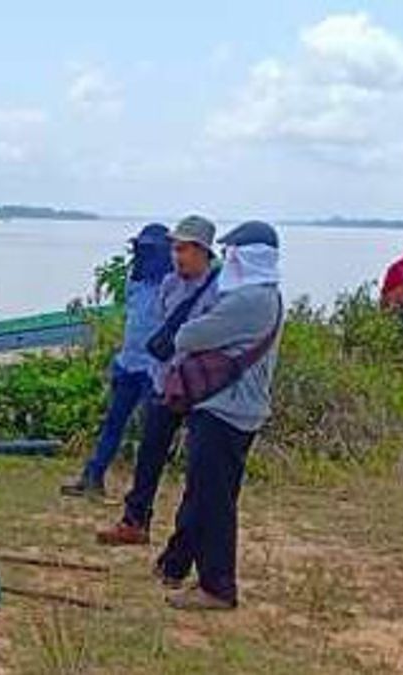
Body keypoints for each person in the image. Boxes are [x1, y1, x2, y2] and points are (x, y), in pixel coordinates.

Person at [158, 221, 283, 610]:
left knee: (213, 500)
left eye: (233, 254)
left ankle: (217, 586)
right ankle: (175, 563)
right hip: (232, 408)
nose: (227, 260)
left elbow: (188, 337)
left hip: (225, 409)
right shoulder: (263, 296)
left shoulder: (250, 301)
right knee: (204, 492)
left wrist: (191, 330)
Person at [97, 215, 219, 546]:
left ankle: (189, 538)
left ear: (203, 251)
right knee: (149, 453)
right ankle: (135, 522)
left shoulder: (218, 290)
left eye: (184, 249)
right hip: (163, 380)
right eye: (175, 248)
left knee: (199, 465)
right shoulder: (169, 284)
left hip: (199, 386)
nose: (177, 255)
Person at [62, 223, 173, 497]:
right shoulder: (134, 280)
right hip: (128, 363)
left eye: (151, 250)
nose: (145, 255)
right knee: (113, 424)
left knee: (151, 434)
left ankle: (142, 492)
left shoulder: (174, 284)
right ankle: (93, 477)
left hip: (155, 369)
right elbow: (133, 319)